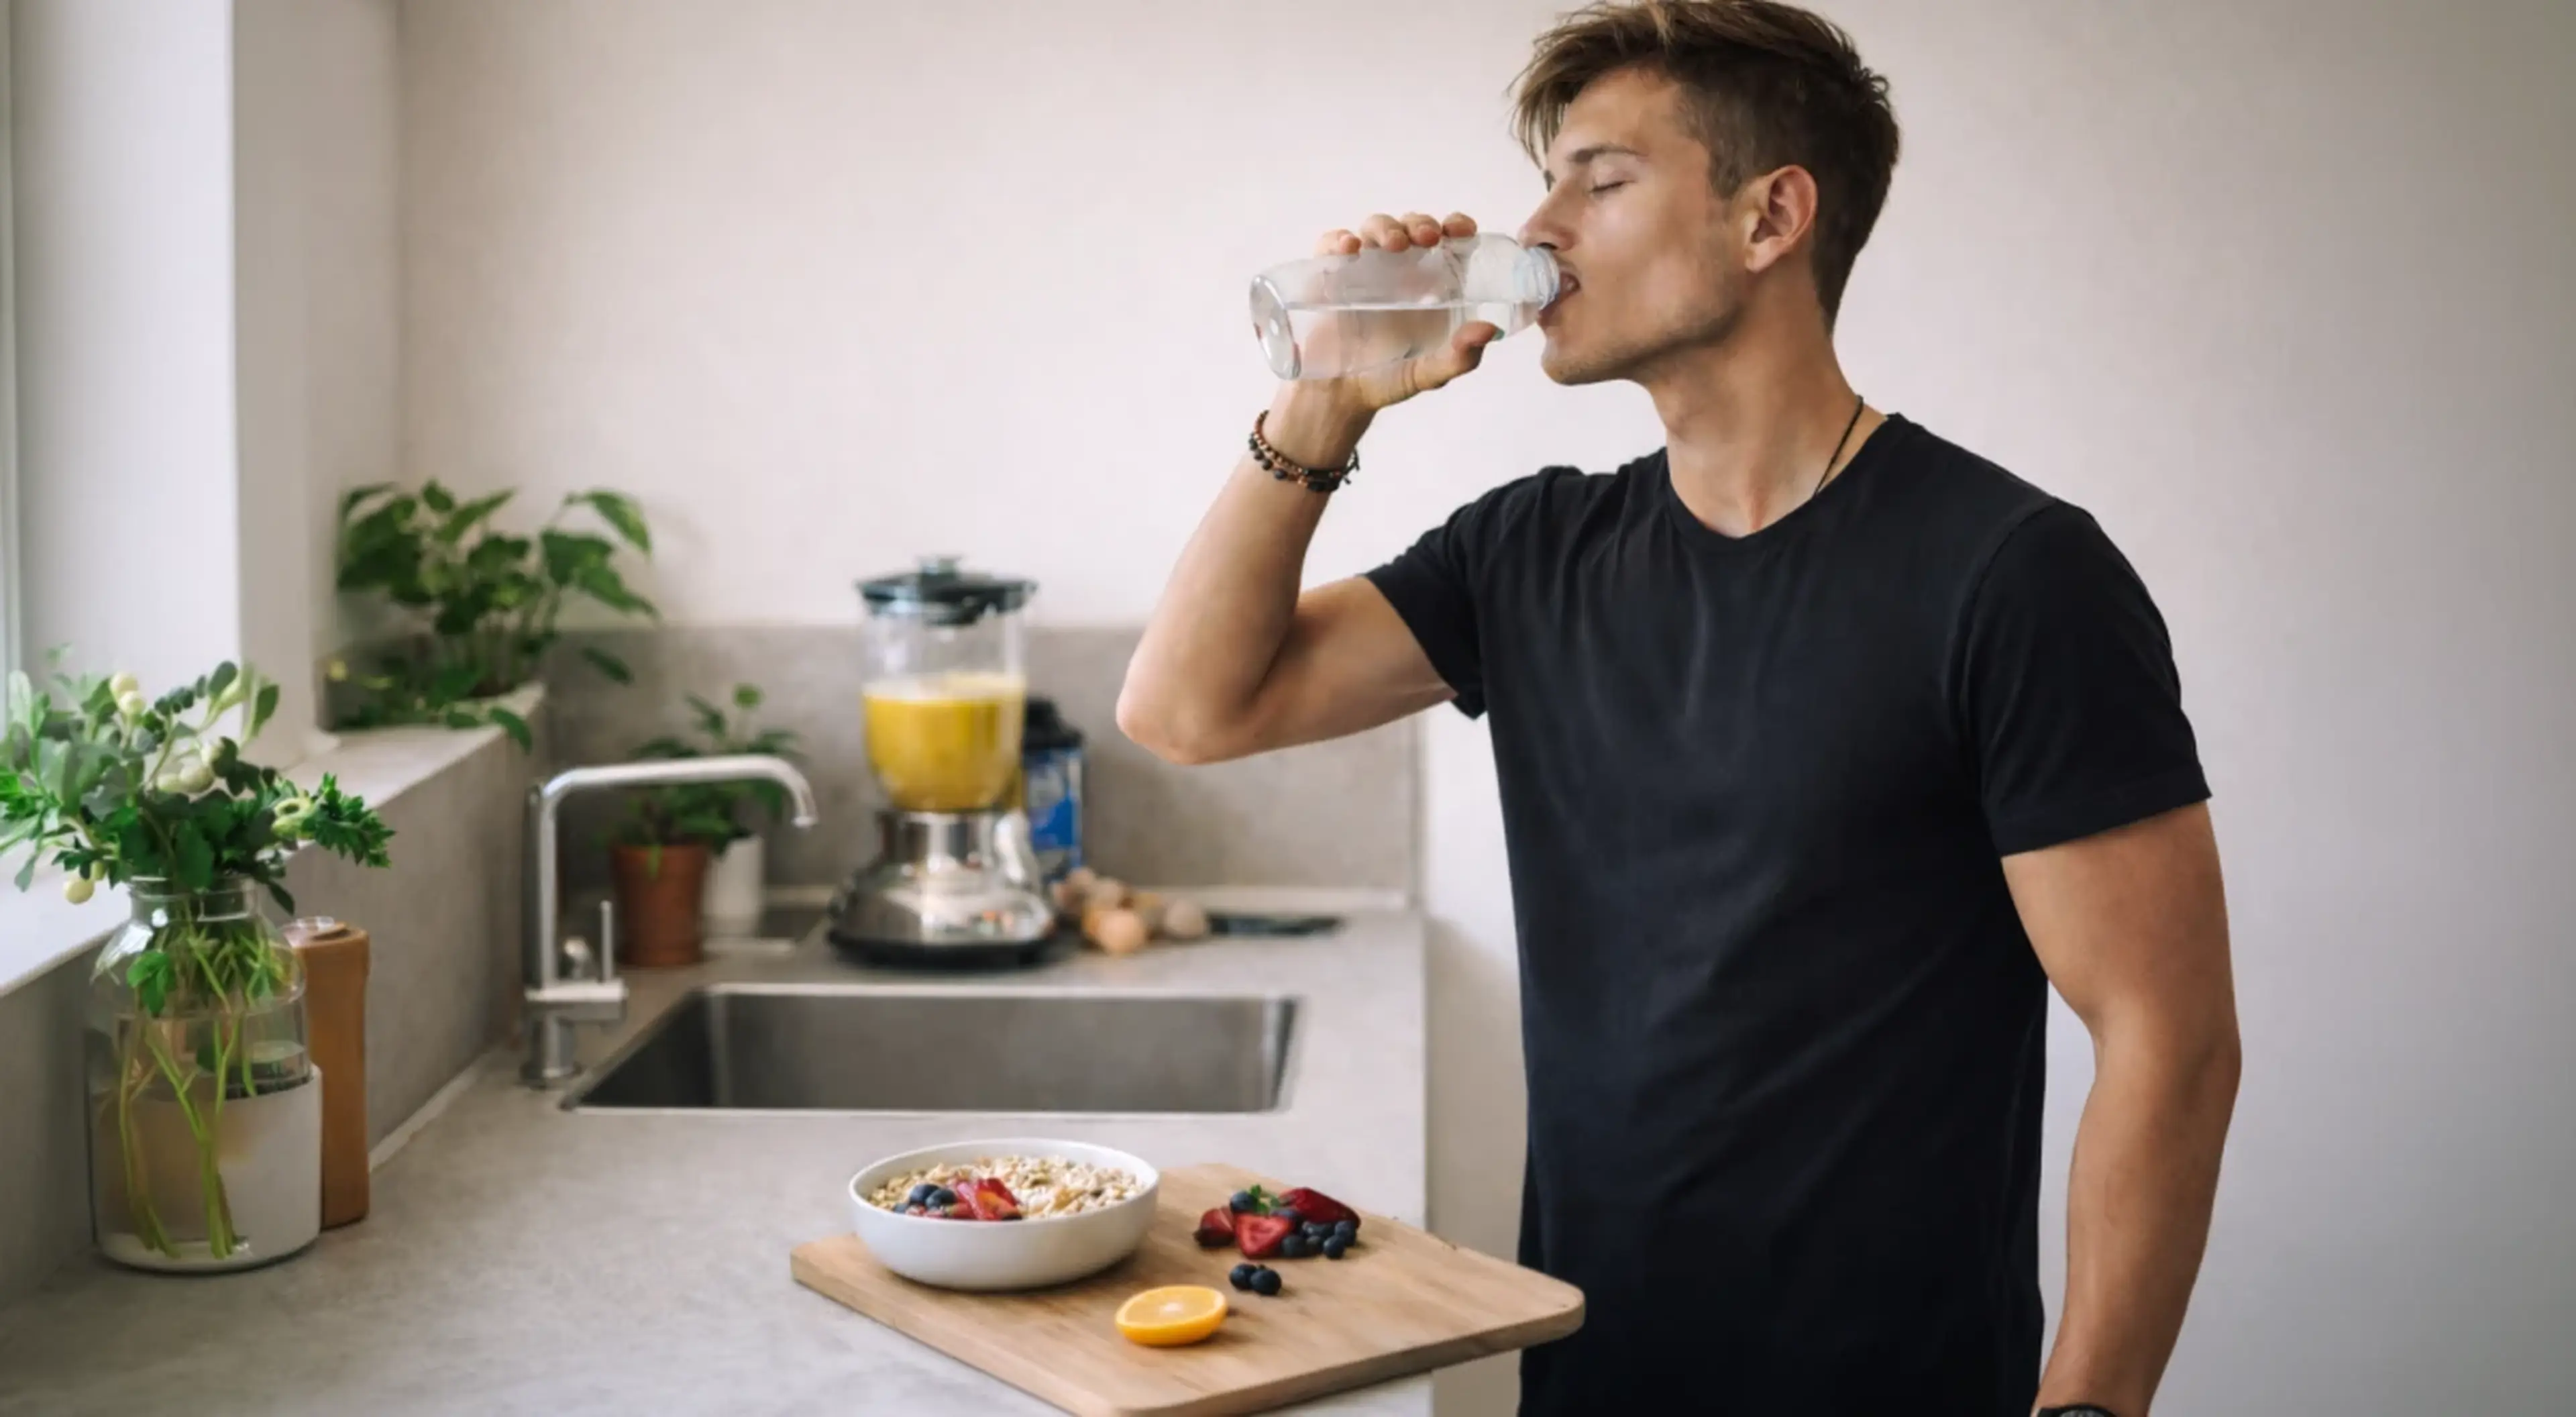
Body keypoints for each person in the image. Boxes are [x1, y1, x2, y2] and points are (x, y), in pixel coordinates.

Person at [1119, 1, 2241, 1412]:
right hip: (1594, 1366)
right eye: (1549, 183)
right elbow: (1189, 710)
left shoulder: (2013, 577)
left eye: (1600, 179)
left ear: (1771, 217)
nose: (1543, 229)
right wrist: (1318, 412)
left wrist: (2088, 1409)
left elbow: (2168, 1035)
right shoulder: (1531, 553)